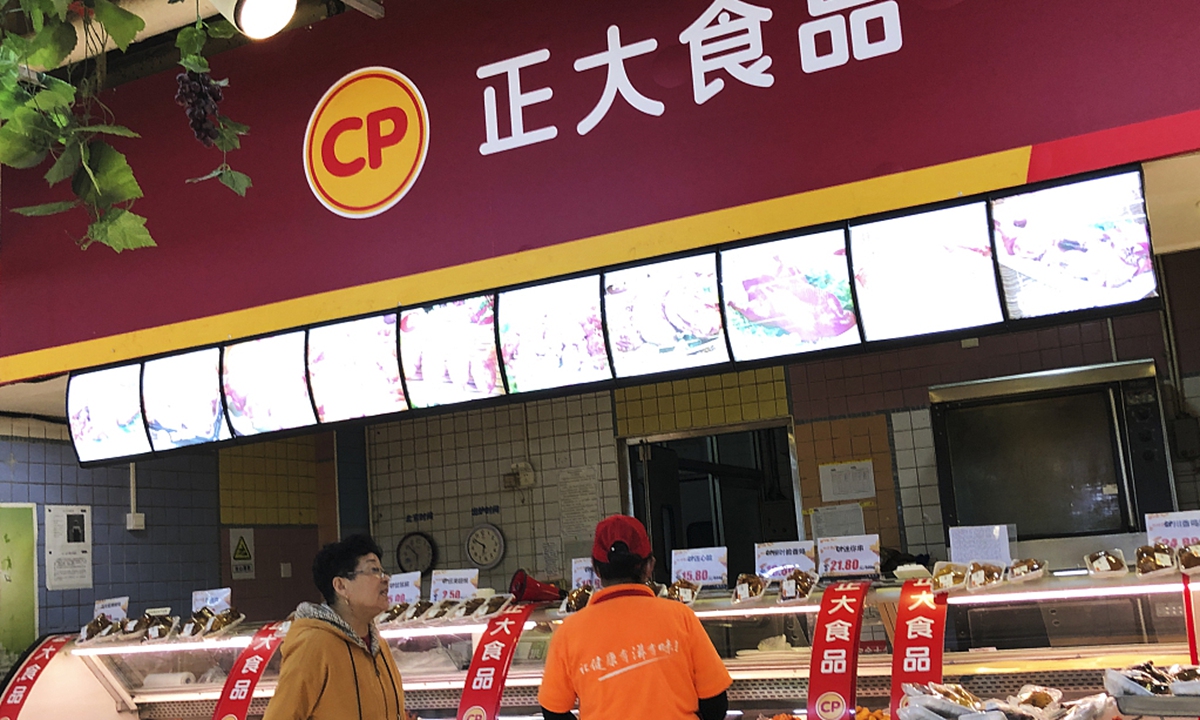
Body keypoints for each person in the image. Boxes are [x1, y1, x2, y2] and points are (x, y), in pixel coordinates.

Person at [538, 515, 731, 720]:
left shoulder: (569, 631)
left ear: (595, 569)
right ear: (649, 567)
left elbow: (553, 712)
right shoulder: (681, 616)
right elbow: (716, 704)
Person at [263, 534, 406, 720]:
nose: (385, 579)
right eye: (373, 570)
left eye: (382, 571)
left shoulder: (378, 645)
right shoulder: (313, 645)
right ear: (341, 586)